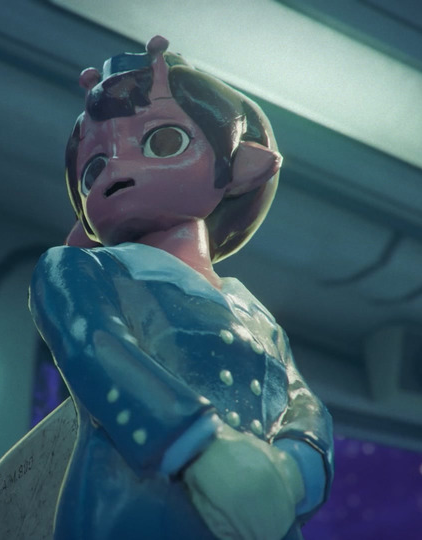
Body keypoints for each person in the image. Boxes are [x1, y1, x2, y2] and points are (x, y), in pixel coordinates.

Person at [29, 36, 333, 540]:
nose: (115, 170)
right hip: (138, 509)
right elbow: (100, 351)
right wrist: (202, 448)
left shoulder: (253, 313)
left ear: (238, 167)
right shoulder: (79, 270)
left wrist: (293, 469)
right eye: (94, 168)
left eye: (163, 142)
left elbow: (300, 399)